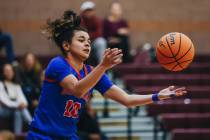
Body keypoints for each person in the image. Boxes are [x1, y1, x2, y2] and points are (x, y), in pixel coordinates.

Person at [27, 10, 187, 140]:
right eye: (81, 40)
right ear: (66, 45)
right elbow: (77, 90)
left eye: (89, 41)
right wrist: (103, 65)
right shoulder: (58, 64)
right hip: (43, 136)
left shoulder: (92, 72)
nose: (87, 44)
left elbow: (127, 100)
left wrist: (157, 96)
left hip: (68, 136)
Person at [0, 64, 32, 134]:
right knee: (19, 109)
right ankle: (33, 124)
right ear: (3, 72)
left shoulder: (16, 85)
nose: (9, 72)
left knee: (18, 112)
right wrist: (18, 105)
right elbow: (4, 101)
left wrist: (23, 104)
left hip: (15, 109)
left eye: (11, 70)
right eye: (7, 71)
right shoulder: (1, 84)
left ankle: (17, 135)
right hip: (3, 109)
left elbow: (23, 99)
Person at [80, 1, 107, 66]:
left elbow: (99, 33)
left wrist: (88, 36)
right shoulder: (80, 20)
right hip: (82, 43)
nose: (89, 13)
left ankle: (102, 67)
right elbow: (79, 34)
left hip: (93, 43)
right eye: (87, 10)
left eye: (90, 10)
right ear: (83, 12)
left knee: (101, 42)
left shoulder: (97, 20)